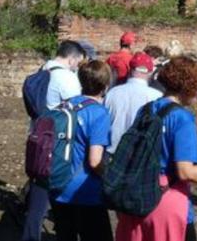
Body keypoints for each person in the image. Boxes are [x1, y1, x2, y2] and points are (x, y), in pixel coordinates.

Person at [115, 57, 197, 241]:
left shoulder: (145, 110)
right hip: (166, 201)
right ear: (187, 87)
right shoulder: (182, 118)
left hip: (135, 195)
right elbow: (185, 172)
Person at [24, 41, 87, 241]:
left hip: (38, 136)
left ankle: (31, 234)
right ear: (72, 58)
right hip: (58, 142)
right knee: (58, 191)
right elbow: (79, 109)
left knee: (39, 189)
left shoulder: (43, 69)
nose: (78, 66)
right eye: (79, 62)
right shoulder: (66, 78)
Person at [52, 60, 114, 241]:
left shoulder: (64, 106)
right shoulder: (98, 113)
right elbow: (94, 161)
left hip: (57, 185)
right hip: (84, 192)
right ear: (105, 85)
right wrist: (112, 178)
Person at [105, 52, 163, 153]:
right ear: (150, 73)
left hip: (112, 155)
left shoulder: (112, 93)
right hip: (140, 158)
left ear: (130, 69)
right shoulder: (156, 96)